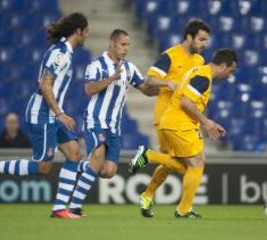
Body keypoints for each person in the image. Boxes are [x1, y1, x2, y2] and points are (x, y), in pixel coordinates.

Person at [0, 12, 89, 219]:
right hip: (43, 114)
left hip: (53, 115)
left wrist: (59, 114)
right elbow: (45, 85)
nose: (86, 37)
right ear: (78, 31)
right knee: (44, 166)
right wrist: (60, 113)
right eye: (86, 32)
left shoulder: (65, 52)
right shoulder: (60, 53)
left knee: (74, 152)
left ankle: (60, 209)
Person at [66, 29, 170, 215]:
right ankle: (75, 207)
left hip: (114, 127)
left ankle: (82, 166)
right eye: (123, 44)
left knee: (108, 171)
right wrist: (111, 79)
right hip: (95, 121)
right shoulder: (97, 65)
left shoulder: (129, 68)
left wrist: (166, 90)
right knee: (97, 158)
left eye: (128, 45)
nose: (126, 49)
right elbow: (88, 89)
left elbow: (146, 89)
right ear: (112, 44)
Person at [129, 49, 238, 218]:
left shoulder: (198, 71)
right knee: (197, 165)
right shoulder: (204, 76)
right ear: (223, 66)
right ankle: (182, 208)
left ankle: (153, 174)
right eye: (231, 70)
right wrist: (206, 122)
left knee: (189, 166)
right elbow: (186, 103)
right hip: (178, 123)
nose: (230, 75)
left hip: (173, 122)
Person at [130, 19, 211, 218]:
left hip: (185, 120)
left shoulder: (199, 61)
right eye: (201, 39)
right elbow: (149, 80)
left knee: (174, 163)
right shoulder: (170, 56)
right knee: (191, 165)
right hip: (167, 117)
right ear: (189, 37)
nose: (204, 44)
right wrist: (169, 83)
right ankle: (149, 160)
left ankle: (148, 194)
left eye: (206, 40)